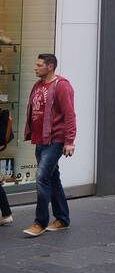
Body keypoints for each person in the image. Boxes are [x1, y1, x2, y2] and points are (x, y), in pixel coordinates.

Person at [22, 53, 76, 238]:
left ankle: (40, 222)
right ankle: (62, 219)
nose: (35, 68)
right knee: (53, 179)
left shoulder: (61, 86)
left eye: (39, 65)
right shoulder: (38, 85)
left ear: (50, 66)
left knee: (42, 177)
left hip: (56, 140)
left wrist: (69, 141)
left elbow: (69, 114)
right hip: (41, 139)